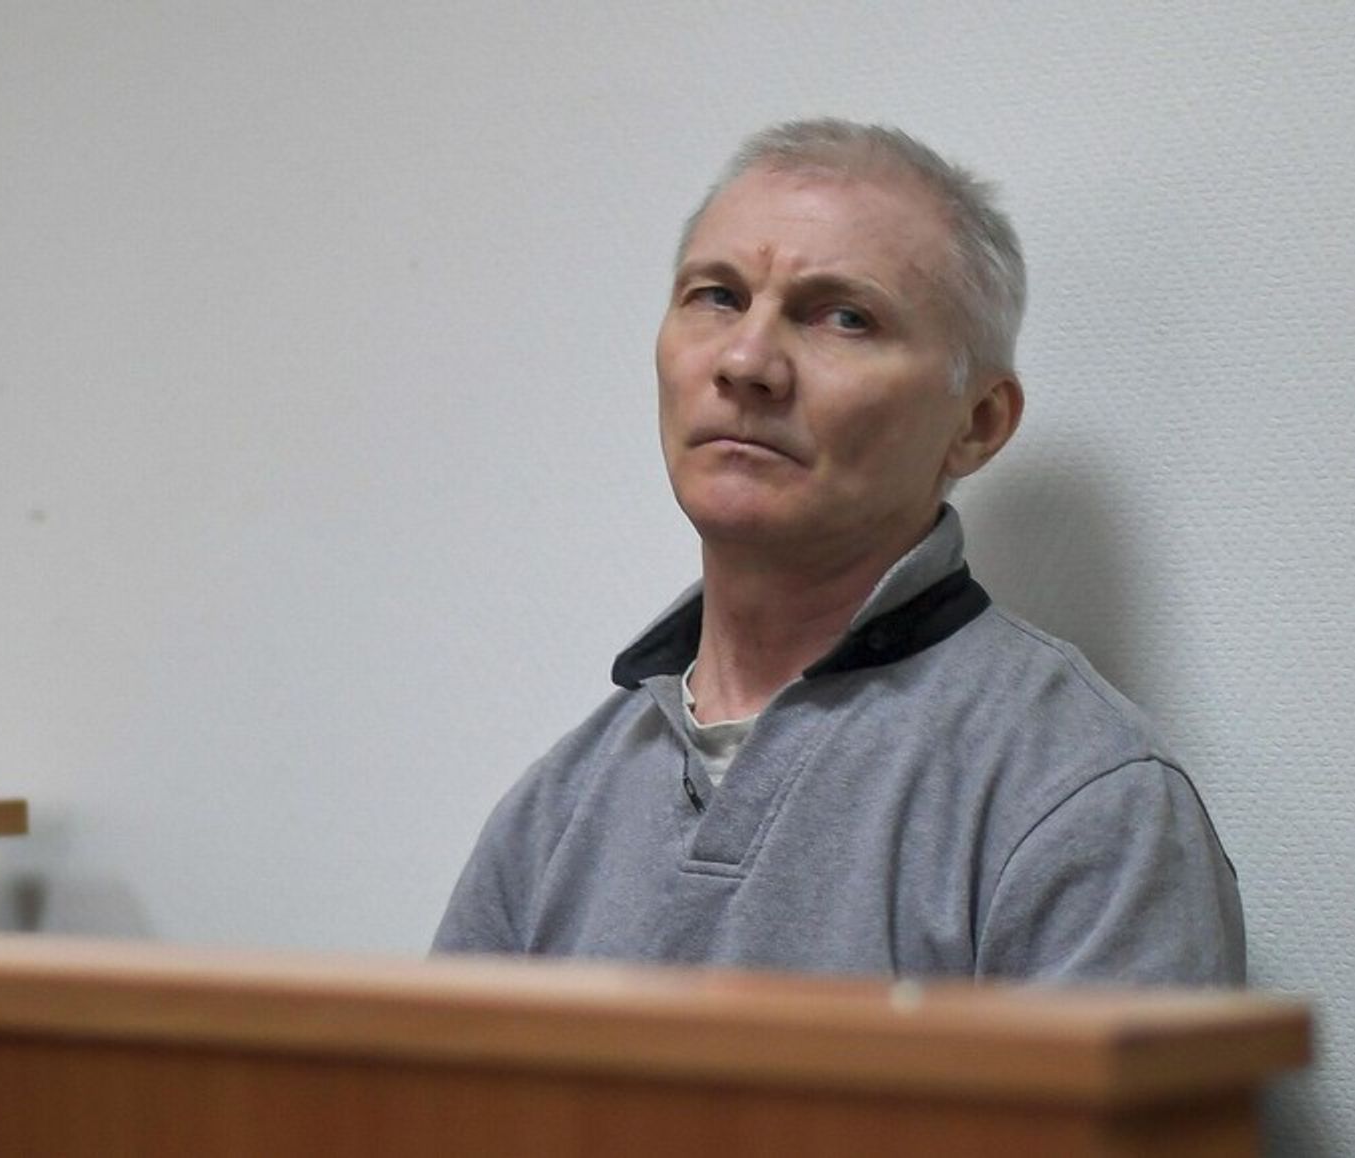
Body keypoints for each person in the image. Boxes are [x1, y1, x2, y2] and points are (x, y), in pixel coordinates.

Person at [432, 119, 1244, 985]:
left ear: (977, 423)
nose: (747, 361)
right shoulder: (557, 809)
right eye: (717, 296)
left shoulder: (1081, 798)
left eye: (845, 317)